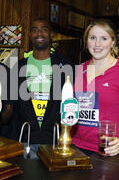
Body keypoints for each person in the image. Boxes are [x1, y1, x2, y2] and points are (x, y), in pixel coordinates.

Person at [71, 19, 119, 156]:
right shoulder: (78, 70)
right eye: (92, 38)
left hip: (108, 151)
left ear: (113, 42)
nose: (97, 44)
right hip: (75, 148)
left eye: (104, 38)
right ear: (86, 41)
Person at [11, 18, 74, 157]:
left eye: (44, 29)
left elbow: (71, 103)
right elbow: (13, 107)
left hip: (55, 142)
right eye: (34, 30)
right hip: (25, 141)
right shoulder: (19, 66)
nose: (39, 33)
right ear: (29, 35)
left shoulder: (65, 65)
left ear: (51, 34)